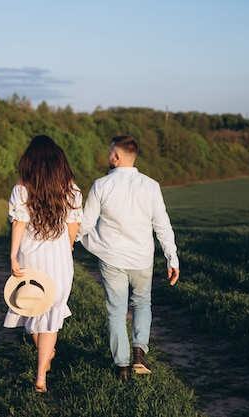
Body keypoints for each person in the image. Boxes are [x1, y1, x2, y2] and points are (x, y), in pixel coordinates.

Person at [77, 135, 180, 381]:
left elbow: (85, 224)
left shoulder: (101, 185)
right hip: (142, 258)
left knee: (116, 310)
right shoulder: (151, 185)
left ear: (117, 156)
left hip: (112, 258)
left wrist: (67, 241)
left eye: (110, 152)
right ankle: (139, 352)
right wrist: (172, 258)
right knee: (142, 303)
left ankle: (121, 366)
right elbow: (162, 225)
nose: (108, 156)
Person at [3, 135, 83, 392]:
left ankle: (44, 356)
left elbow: (19, 223)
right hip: (59, 258)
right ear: (59, 161)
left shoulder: (22, 189)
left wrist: (13, 255)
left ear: (31, 161)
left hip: (31, 257)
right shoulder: (72, 190)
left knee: (32, 306)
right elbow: (73, 227)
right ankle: (41, 376)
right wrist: (68, 246)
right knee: (51, 314)